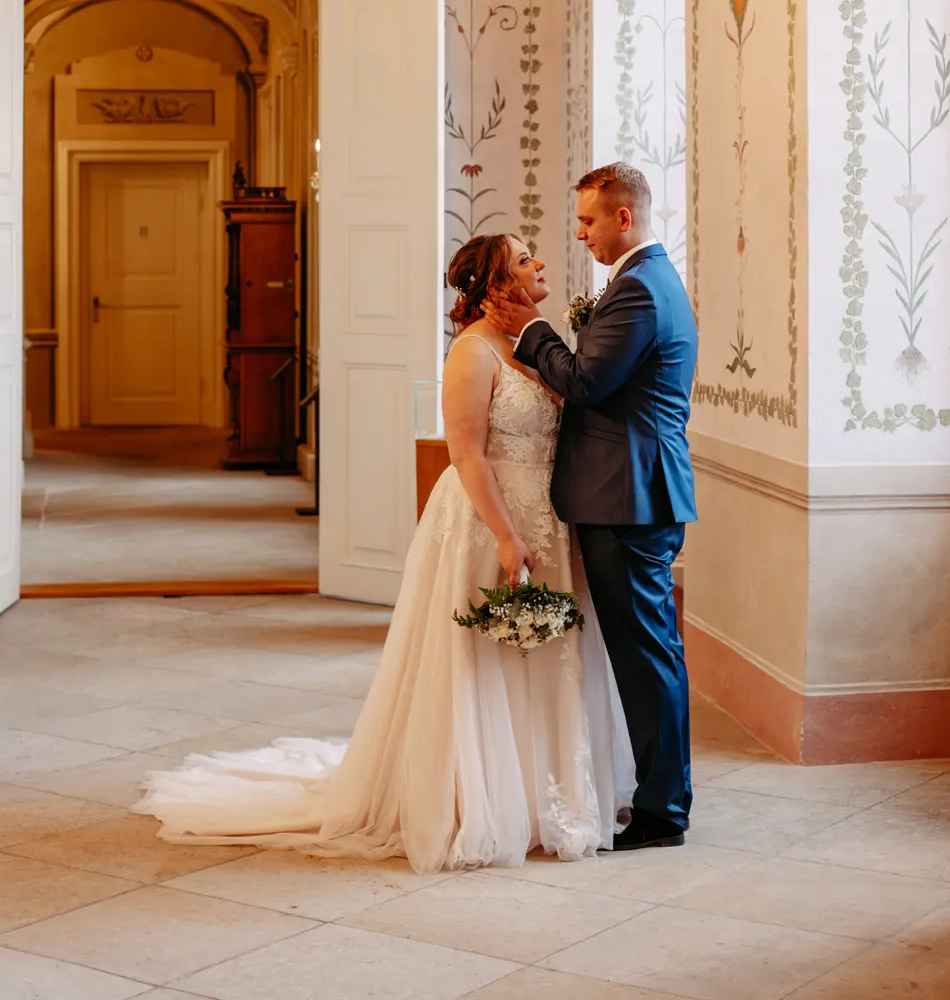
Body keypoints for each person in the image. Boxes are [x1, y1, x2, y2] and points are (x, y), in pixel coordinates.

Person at [136, 233, 634, 872]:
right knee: (485, 659)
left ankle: (550, 799)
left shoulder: (536, 345)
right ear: (495, 283)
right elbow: (467, 454)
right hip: (490, 520)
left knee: (548, 658)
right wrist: (508, 535)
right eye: (523, 258)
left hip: (549, 519)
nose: (539, 262)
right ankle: (474, 799)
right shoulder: (473, 352)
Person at [484, 164, 698, 852]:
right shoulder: (644, 281)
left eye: (587, 221)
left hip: (629, 496)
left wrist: (535, 330)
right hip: (629, 490)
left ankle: (665, 812)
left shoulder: (639, 290)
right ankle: (660, 794)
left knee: (647, 657)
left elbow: (585, 381)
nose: (579, 235)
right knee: (646, 653)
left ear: (623, 218)